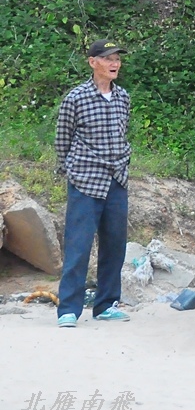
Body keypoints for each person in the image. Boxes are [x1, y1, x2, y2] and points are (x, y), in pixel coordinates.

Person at [54, 39, 133, 328]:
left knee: (114, 245)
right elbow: (62, 140)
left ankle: (106, 304)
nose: (114, 63)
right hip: (86, 181)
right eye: (108, 58)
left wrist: (123, 164)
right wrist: (70, 170)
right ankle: (69, 309)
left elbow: (123, 134)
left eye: (117, 59)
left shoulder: (123, 97)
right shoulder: (76, 98)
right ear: (92, 62)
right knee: (79, 245)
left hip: (116, 180)